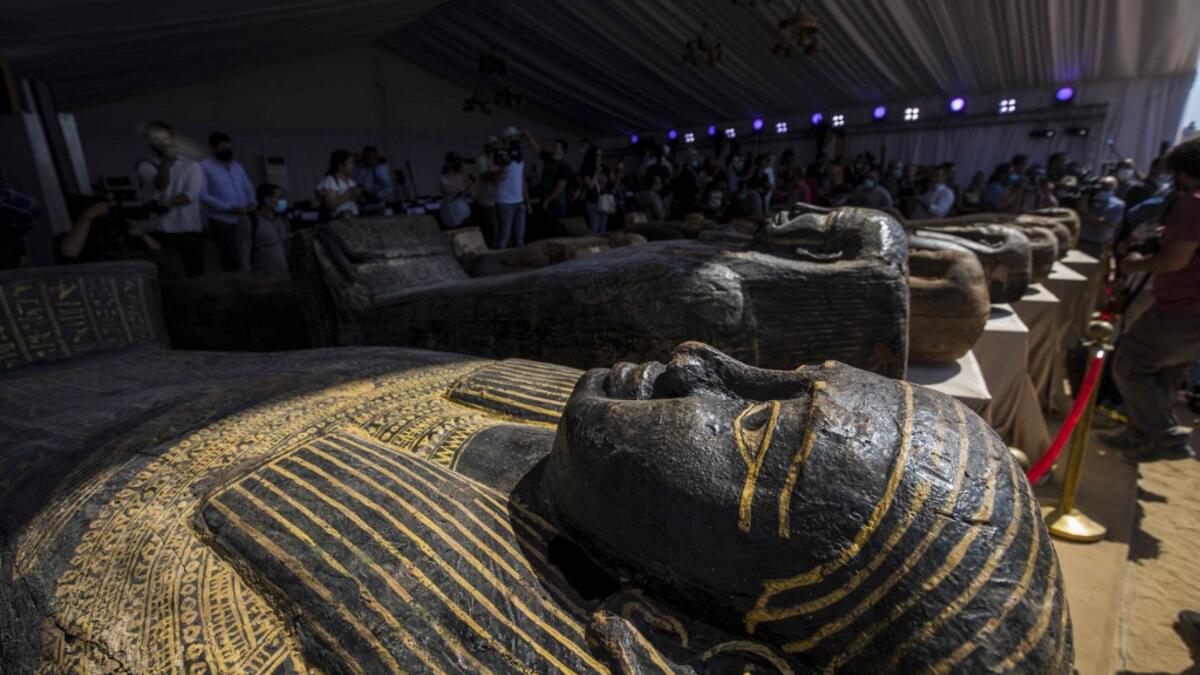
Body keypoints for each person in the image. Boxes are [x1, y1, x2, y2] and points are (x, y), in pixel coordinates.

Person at [1106, 138, 1200, 461]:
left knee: (1130, 363)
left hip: (1181, 309)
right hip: (1190, 313)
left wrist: (1136, 263)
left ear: (1186, 172)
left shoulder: (1191, 204)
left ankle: (1165, 437)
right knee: (1163, 374)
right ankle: (1140, 434)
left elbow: (1175, 260)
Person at [136, 121, 206, 276]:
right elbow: (160, 185)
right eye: (156, 139)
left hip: (190, 229)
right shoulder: (145, 164)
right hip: (161, 230)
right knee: (168, 274)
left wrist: (166, 203)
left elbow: (191, 195)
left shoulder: (191, 164)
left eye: (165, 138)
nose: (162, 143)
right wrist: (166, 163)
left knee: (195, 273)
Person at [200, 132, 256, 272]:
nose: (228, 151)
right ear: (213, 149)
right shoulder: (204, 167)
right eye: (223, 148)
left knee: (246, 254)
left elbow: (248, 186)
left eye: (229, 148)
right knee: (228, 257)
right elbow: (203, 195)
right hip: (221, 220)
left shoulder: (237, 166)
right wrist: (228, 208)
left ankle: (247, 280)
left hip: (243, 217)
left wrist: (252, 202)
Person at [57, 196, 161, 263]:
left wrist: (143, 235)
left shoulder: (122, 229)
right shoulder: (80, 237)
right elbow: (69, 252)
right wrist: (89, 215)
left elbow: (159, 254)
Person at [494, 127, 529, 248]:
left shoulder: (519, 156)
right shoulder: (499, 155)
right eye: (512, 138)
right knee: (504, 235)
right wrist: (502, 167)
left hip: (519, 200)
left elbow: (522, 179)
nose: (515, 141)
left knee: (519, 236)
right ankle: (498, 261)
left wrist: (527, 201)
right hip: (505, 201)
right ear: (506, 140)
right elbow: (495, 180)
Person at [1078, 176, 1126, 257]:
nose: (1103, 189)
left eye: (1107, 187)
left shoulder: (1117, 205)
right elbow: (1079, 214)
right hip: (1082, 240)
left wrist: (1088, 214)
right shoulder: (1091, 200)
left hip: (1098, 243)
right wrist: (1084, 199)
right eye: (1102, 186)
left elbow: (1106, 224)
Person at [250, 183, 291, 275]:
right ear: (267, 200)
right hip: (265, 277)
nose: (283, 201)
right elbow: (244, 250)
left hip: (286, 274)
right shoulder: (252, 221)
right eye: (279, 197)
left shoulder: (282, 219)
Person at [316, 149, 361, 220]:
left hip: (352, 217)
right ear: (340, 165)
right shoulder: (330, 181)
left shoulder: (350, 182)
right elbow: (330, 204)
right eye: (350, 163)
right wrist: (349, 193)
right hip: (338, 220)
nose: (353, 166)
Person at [438, 152, 473, 229]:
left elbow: (471, 195)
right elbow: (446, 191)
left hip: (465, 212)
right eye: (454, 162)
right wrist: (459, 186)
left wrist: (467, 182)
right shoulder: (444, 178)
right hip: (453, 214)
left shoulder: (462, 176)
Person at [579, 146, 608, 233]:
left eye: (600, 155)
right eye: (597, 155)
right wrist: (596, 172)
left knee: (603, 227)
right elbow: (590, 186)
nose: (599, 158)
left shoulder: (603, 168)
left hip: (603, 200)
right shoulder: (586, 170)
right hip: (592, 200)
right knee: (594, 226)